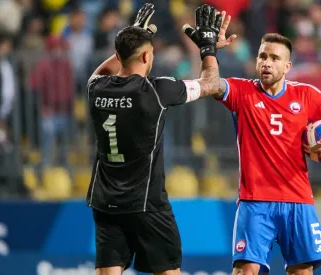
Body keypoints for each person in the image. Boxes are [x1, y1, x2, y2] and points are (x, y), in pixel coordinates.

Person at [186, 31, 321, 274]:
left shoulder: (306, 95)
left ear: (287, 66)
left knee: (302, 272)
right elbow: (211, 84)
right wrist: (209, 52)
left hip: (298, 200)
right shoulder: (242, 92)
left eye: (274, 58)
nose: (266, 62)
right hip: (255, 201)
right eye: (262, 56)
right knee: (246, 270)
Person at [86, 4, 232, 275]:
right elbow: (212, 84)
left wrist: (134, 34)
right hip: (146, 204)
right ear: (145, 58)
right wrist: (208, 49)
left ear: (118, 54)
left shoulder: (96, 88)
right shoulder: (155, 90)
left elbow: (104, 69)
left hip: (106, 202)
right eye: (150, 53)